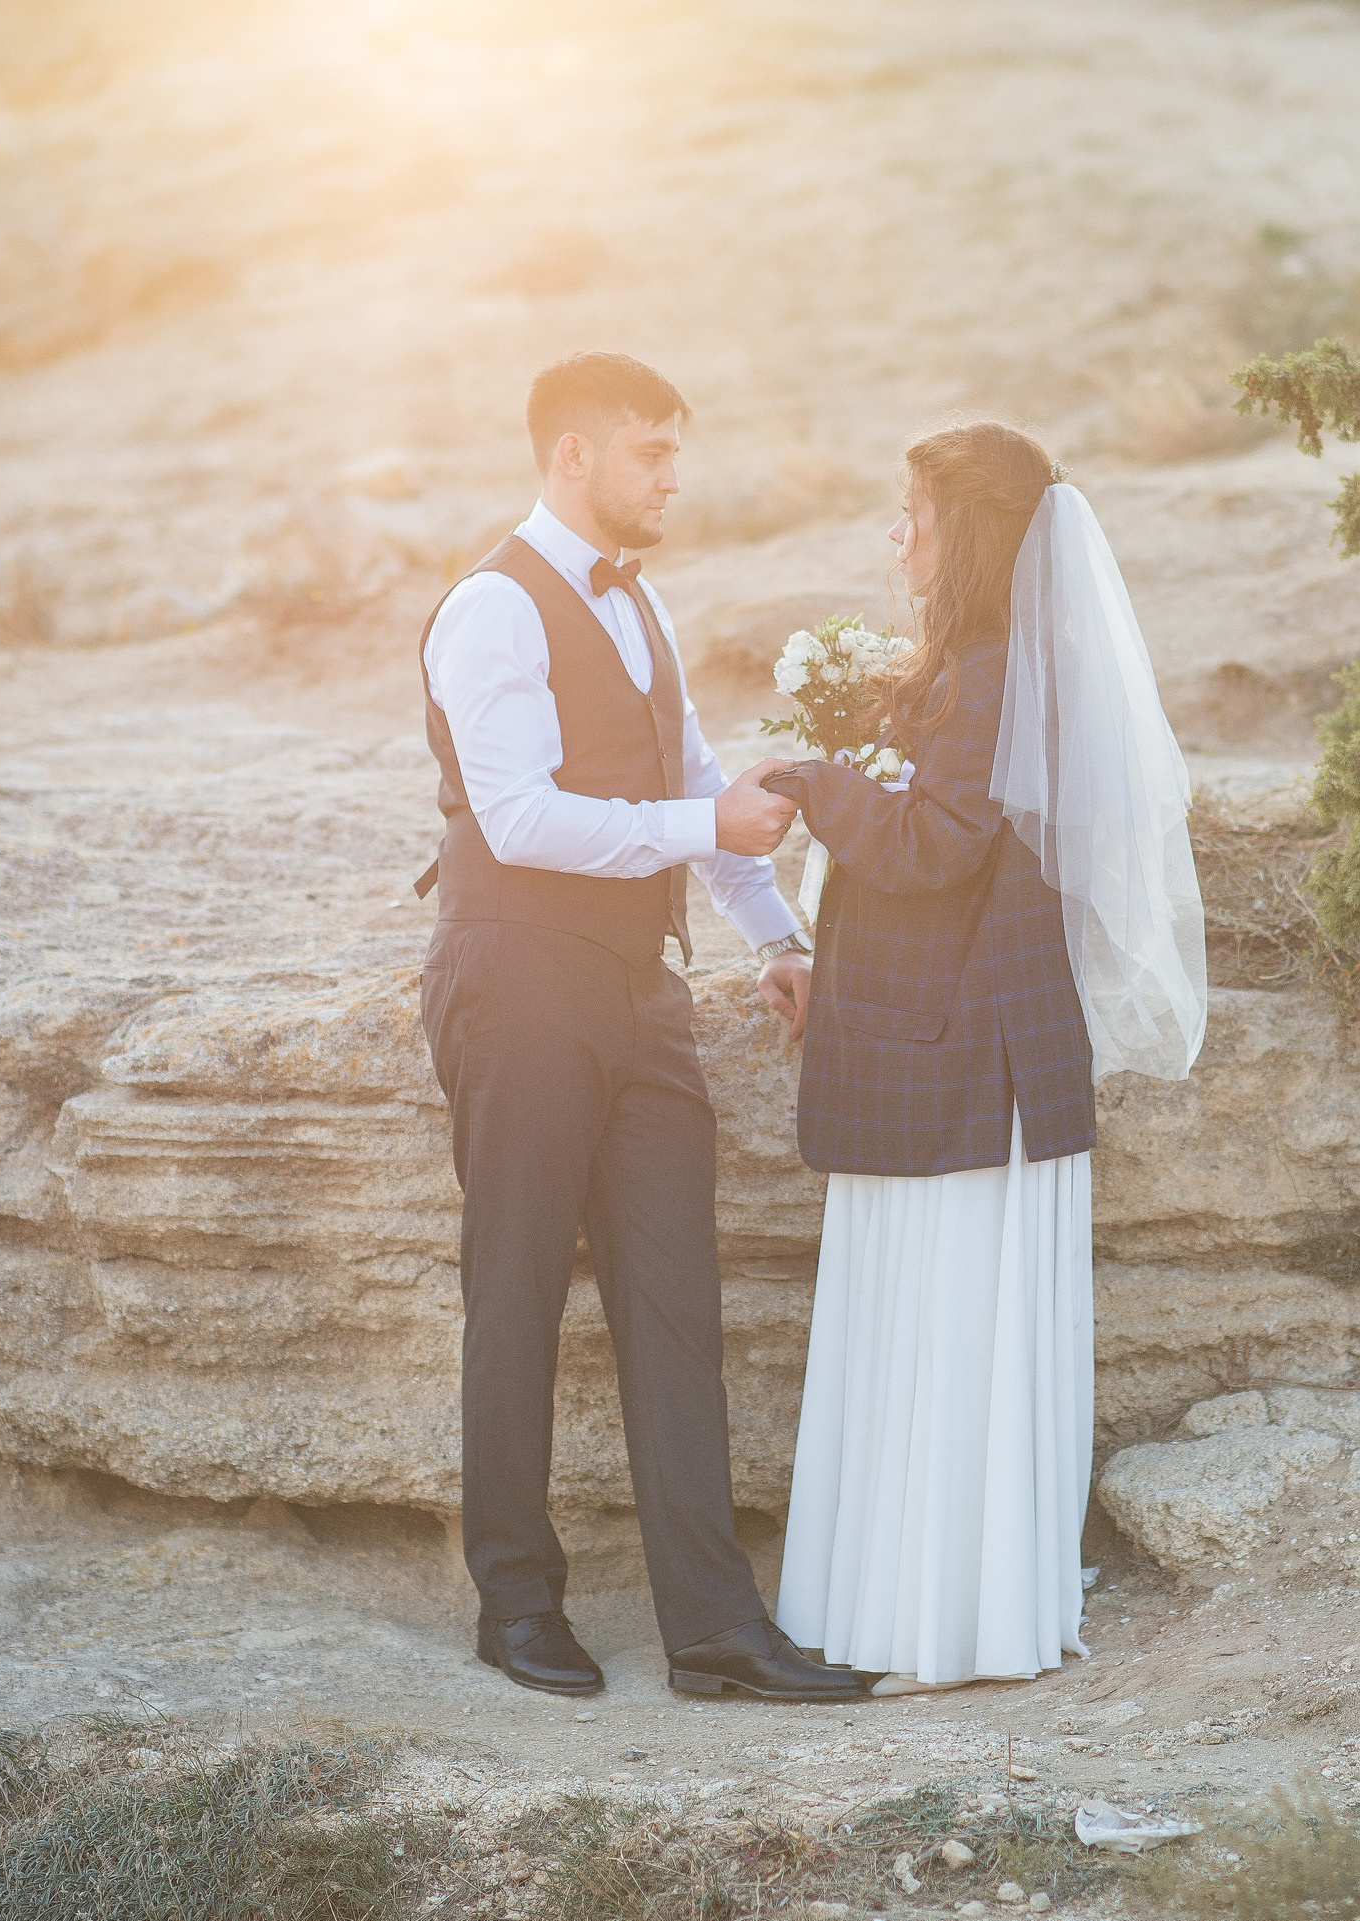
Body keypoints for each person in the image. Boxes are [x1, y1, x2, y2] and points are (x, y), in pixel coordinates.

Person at [415, 351, 858, 1703]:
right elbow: (523, 818)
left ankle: (715, 1630)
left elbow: (697, 786)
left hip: (640, 990)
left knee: (678, 1300)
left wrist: (777, 934)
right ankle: (516, 1601)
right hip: (517, 977)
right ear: (573, 458)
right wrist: (699, 829)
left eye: (676, 452)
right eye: (649, 452)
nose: (672, 476)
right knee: (520, 1288)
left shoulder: (641, 601)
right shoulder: (490, 608)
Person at [767, 421, 1207, 1693]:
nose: (893, 534)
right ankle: (922, 1609)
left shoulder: (997, 668)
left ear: (966, 532)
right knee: (935, 1340)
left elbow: (937, 842)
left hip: (964, 1064)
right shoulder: (977, 664)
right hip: (947, 1046)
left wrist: (809, 780)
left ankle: (939, 1625)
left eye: (910, 511)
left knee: (946, 1336)